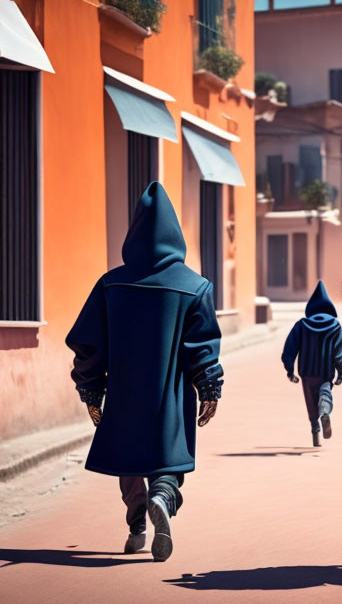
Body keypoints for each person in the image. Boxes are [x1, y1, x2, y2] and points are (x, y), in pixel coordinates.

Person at [66, 182, 223, 563]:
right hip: (170, 396)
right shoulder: (194, 286)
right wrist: (210, 387)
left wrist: (90, 390)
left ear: (133, 233)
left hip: (122, 395)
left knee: (129, 459)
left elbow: (89, 343)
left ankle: (137, 526)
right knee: (164, 457)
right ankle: (163, 496)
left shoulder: (111, 284)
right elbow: (201, 346)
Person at [281, 281, 342, 447]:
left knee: (310, 401)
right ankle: (325, 411)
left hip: (306, 372)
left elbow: (289, 349)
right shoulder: (334, 326)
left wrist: (290, 370)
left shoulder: (301, 325)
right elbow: (340, 351)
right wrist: (341, 371)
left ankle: (315, 429)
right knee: (325, 390)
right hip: (325, 371)